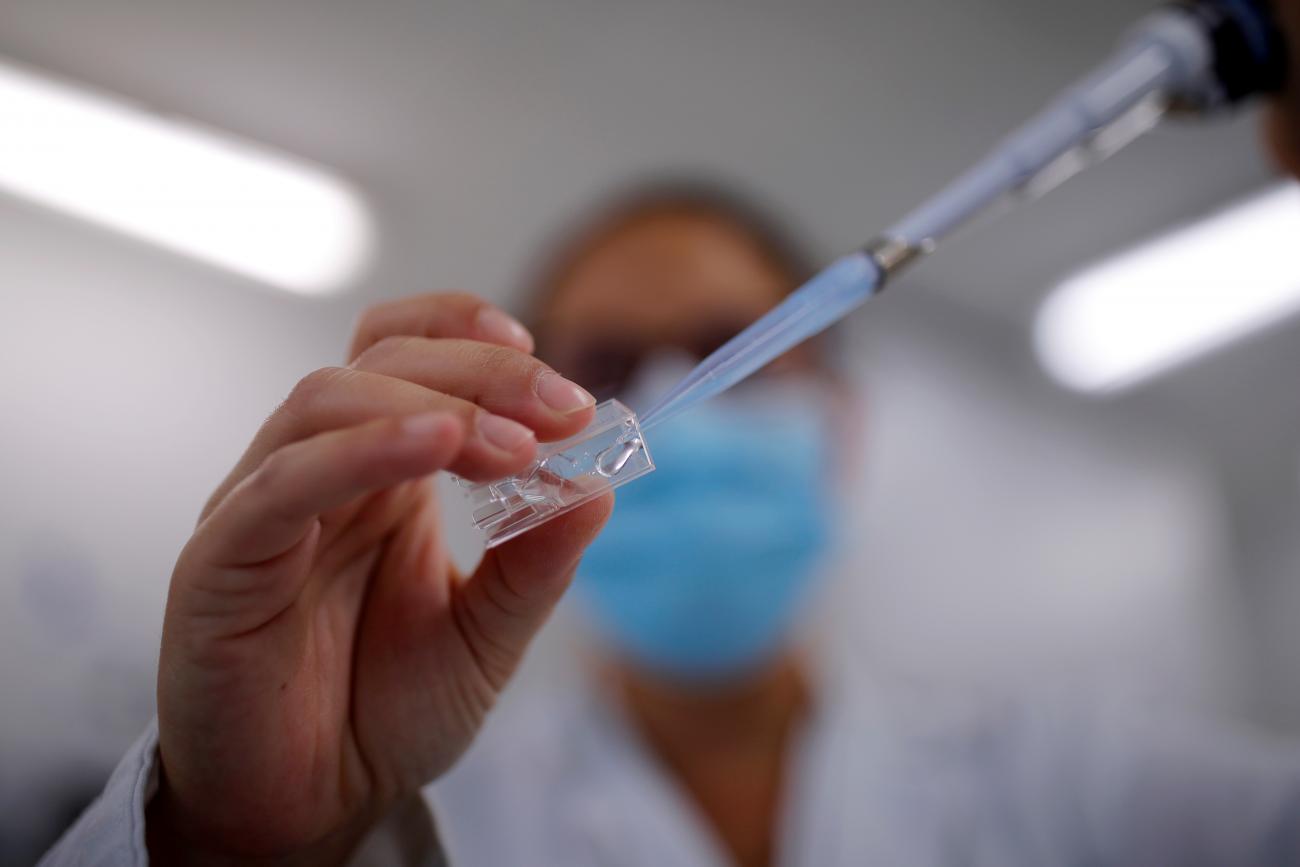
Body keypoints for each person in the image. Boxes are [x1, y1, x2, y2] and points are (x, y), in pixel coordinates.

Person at [38, 1, 1300, 862]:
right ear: (524, 429)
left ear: (841, 429)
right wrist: (240, 842)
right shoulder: (420, 818)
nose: (675, 394)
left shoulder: (1070, 788)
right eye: (600, 365)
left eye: (734, 347)